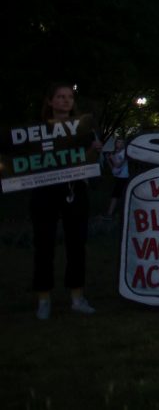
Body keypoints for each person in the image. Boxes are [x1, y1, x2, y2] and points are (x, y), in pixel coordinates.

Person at [28, 83, 100, 320]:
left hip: (75, 189)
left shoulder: (84, 128)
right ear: (50, 101)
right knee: (44, 245)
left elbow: (91, 157)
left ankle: (77, 298)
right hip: (44, 190)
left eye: (69, 97)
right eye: (60, 96)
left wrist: (95, 150)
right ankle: (43, 299)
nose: (65, 101)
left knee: (77, 244)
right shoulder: (35, 130)